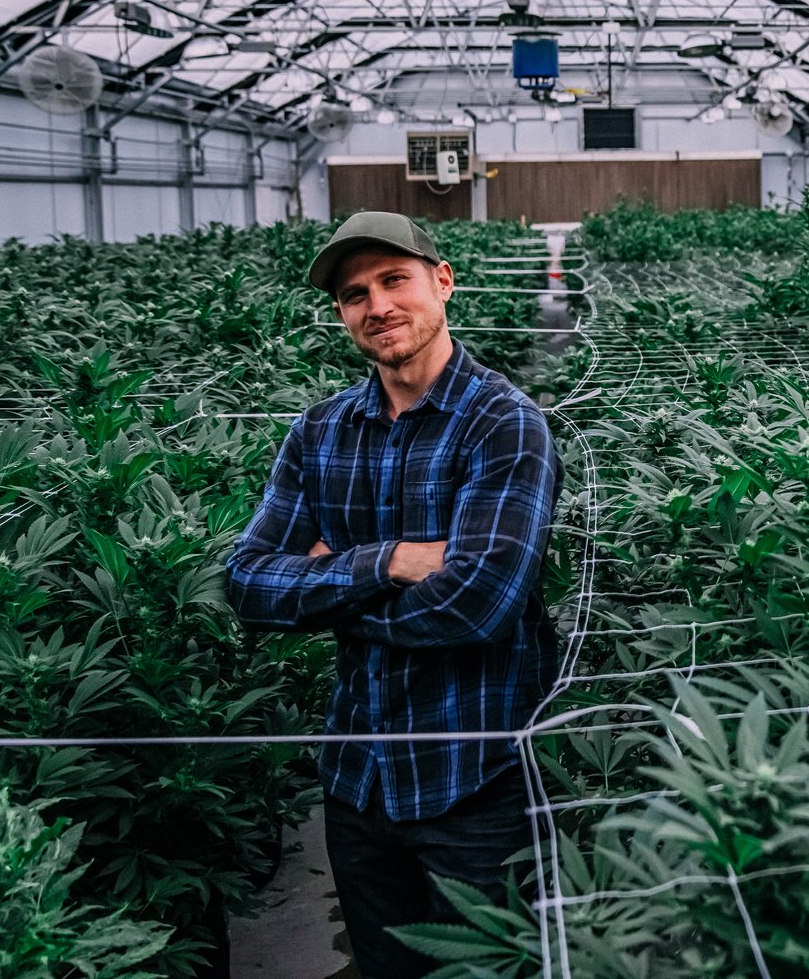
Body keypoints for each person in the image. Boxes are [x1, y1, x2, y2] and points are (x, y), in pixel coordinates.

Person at [227, 211, 561, 979]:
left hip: (473, 783)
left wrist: (323, 586)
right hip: (356, 778)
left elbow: (480, 604)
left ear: (442, 282)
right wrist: (390, 562)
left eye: (394, 280)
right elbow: (246, 583)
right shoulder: (319, 433)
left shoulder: (504, 425)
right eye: (354, 294)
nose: (376, 305)